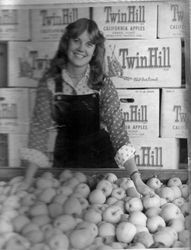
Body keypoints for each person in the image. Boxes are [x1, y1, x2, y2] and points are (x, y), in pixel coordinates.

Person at [20, 18, 153, 196]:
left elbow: (117, 129)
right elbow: (39, 129)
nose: (82, 48)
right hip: (66, 164)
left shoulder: (102, 83)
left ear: (95, 49)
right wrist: (27, 182)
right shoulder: (50, 83)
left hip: (102, 164)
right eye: (76, 40)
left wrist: (136, 179)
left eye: (89, 43)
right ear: (66, 42)